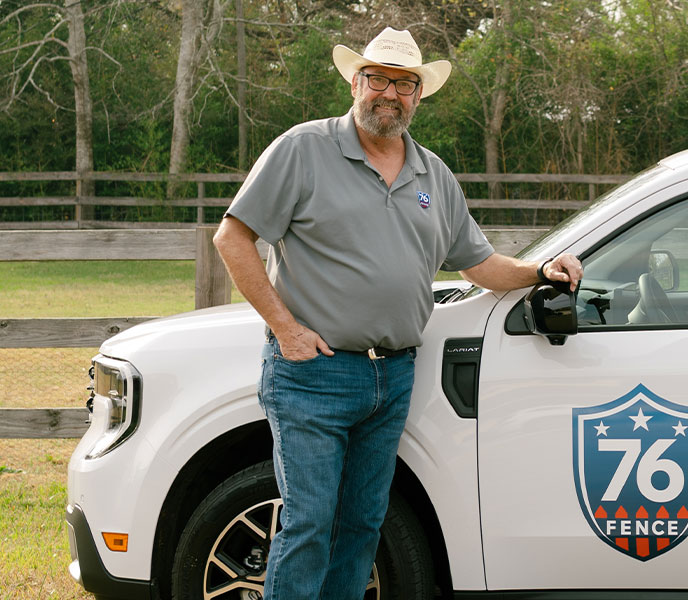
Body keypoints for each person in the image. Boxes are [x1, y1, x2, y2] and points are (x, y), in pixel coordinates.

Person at [213, 27, 581, 599]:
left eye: (404, 84)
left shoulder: (434, 175)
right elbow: (232, 238)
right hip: (315, 373)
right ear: (356, 82)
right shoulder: (302, 149)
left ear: (418, 95)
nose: (390, 93)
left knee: (362, 525)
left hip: (393, 377)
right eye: (378, 78)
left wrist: (540, 272)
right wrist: (285, 329)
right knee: (308, 524)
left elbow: (479, 266)